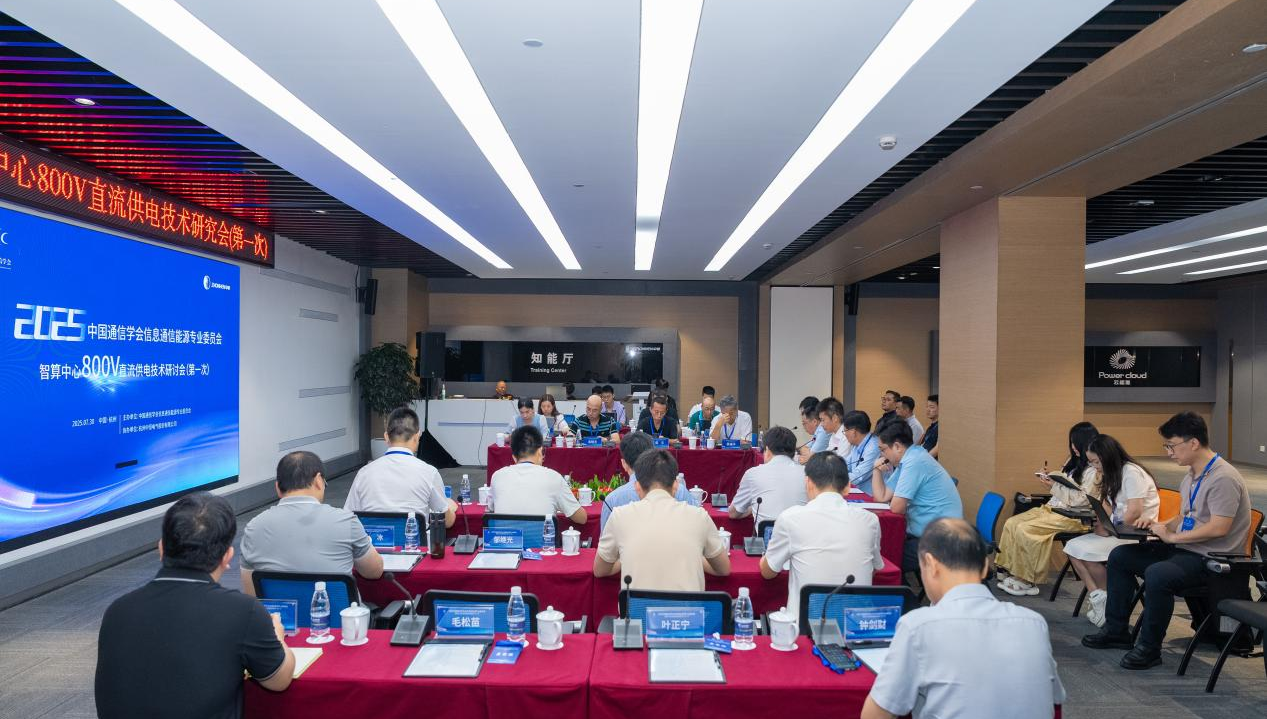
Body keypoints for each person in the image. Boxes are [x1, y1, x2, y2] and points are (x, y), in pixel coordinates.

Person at [96, 493, 294, 718]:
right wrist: (277, 636)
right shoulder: (243, 611)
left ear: (161, 548)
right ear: (227, 556)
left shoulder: (117, 611)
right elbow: (279, 681)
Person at [1084, 412, 1253, 670]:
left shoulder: (1223, 478)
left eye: (1171, 446)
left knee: (1158, 574)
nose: (1168, 453)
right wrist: (1161, 526)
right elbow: (1186, 516)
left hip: (1212, 558)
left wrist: (1173, 536)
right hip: (1186, 549)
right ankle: (1117, 630)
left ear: (1193, 443)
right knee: (1120, 557)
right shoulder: (1191, 476)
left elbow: (1219, 528)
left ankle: (1150, 648)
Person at [862, 518, 1066, 719]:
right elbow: (1053, 699)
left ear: (931, 564)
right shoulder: (1034, 624)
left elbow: (876, 714)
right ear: (985, 567)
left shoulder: (918, 627)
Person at [240, 451, 384, 595]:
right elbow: (374, 571)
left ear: (277, 487)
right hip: (336, 610)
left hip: (275, 611)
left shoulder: (253, 528)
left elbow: (252, 595)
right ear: (319, 481)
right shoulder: (346, 521)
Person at [761, 451, 881, 618]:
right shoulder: (870, 521)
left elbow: (768, 572)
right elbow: (873, 568)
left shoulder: (790, 518)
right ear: (848, 486)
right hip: (855, 626)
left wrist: (764, 557)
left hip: (805, 626)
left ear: (808, 483)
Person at [595, 449, 731, 590]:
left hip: (636, 605)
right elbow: (723, 568)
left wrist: (626, 556)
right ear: (676, 486)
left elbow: (600, 570)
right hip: (687, 604)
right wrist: (694, 555)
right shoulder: (699, 516)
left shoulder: (619, 516)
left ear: (637, 487)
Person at [1063, 434, 1159, 627]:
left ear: (1107, 456)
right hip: (1117, 529)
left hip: (1135, 533)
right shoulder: (1112, 473)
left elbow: (1134, 512)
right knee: (1072, 547)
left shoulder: (1132, 473)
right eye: (1091, 462)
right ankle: (1098, 596)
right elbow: (1109, 506)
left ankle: (1109, 601)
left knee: (1089, 554)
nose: (1095, 467)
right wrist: (1103, 522)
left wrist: (1111, 528)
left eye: (1096, 462)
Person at [995, 422, 1101, 597]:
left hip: (1074, 516)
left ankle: (1027, 579)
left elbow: (1082, 500)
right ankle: (1009, 569)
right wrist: (1051, 480)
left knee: (1026, 529)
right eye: (1071, 443)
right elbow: (1063, 486)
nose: (1073, 447)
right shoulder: (1072, 461)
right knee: (1012, 523)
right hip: (1055, 508)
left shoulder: (1094, 469)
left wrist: (1054, 486)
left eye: (1076, 443)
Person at [870, 422, 963, 574]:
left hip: (941, 539)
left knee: (883, 557)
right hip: (925, 533)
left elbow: (896, 508)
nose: (882, 456)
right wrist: (876, 470)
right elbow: (881, 497)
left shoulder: (915, 462)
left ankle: (902, 589)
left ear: (897, 446)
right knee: (882, 549)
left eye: (883, 450)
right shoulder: (909, 458)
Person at [344, 406, 456, 527]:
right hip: (415, 539)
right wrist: (450, 507)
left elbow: (348, 518)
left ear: (386, 437)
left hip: (372, 540)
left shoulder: (364, 473)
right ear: (417, 436)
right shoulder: (429, 472)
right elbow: (446, 522)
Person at [488, 426, 587, 524]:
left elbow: (491, 509)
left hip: (505, 535)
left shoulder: (497, 476)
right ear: (540, 451)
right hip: (542, 535)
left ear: (514, 457)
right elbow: (581, 518)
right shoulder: (553, 477)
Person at [600, 431, 696, 531]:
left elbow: (606, 538)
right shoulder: (680, 490)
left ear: (624, 463)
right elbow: (696, 528)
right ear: (654, 457)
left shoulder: (613, 499)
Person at [730, 426, 809, 523]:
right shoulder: (807, 473)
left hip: (768, 532)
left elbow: (733, 513)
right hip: (800, 531)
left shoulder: (753, 474)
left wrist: (752, 508)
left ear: (767, 449)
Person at [841, 410, 880, 494]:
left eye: (845, 431)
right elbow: (846, 465)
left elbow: (857, 477)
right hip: (858, 491)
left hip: (871, 496)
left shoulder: (873, 447)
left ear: (853, 432)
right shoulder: (857, 444)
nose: (845, 434)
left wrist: (833, 478)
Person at [796, 395, 831, 464]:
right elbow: (804, 448)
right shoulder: (818, 431)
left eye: (803, 412)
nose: (802, 414)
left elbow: (811, 457)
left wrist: (808, 453)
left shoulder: (823, 430)